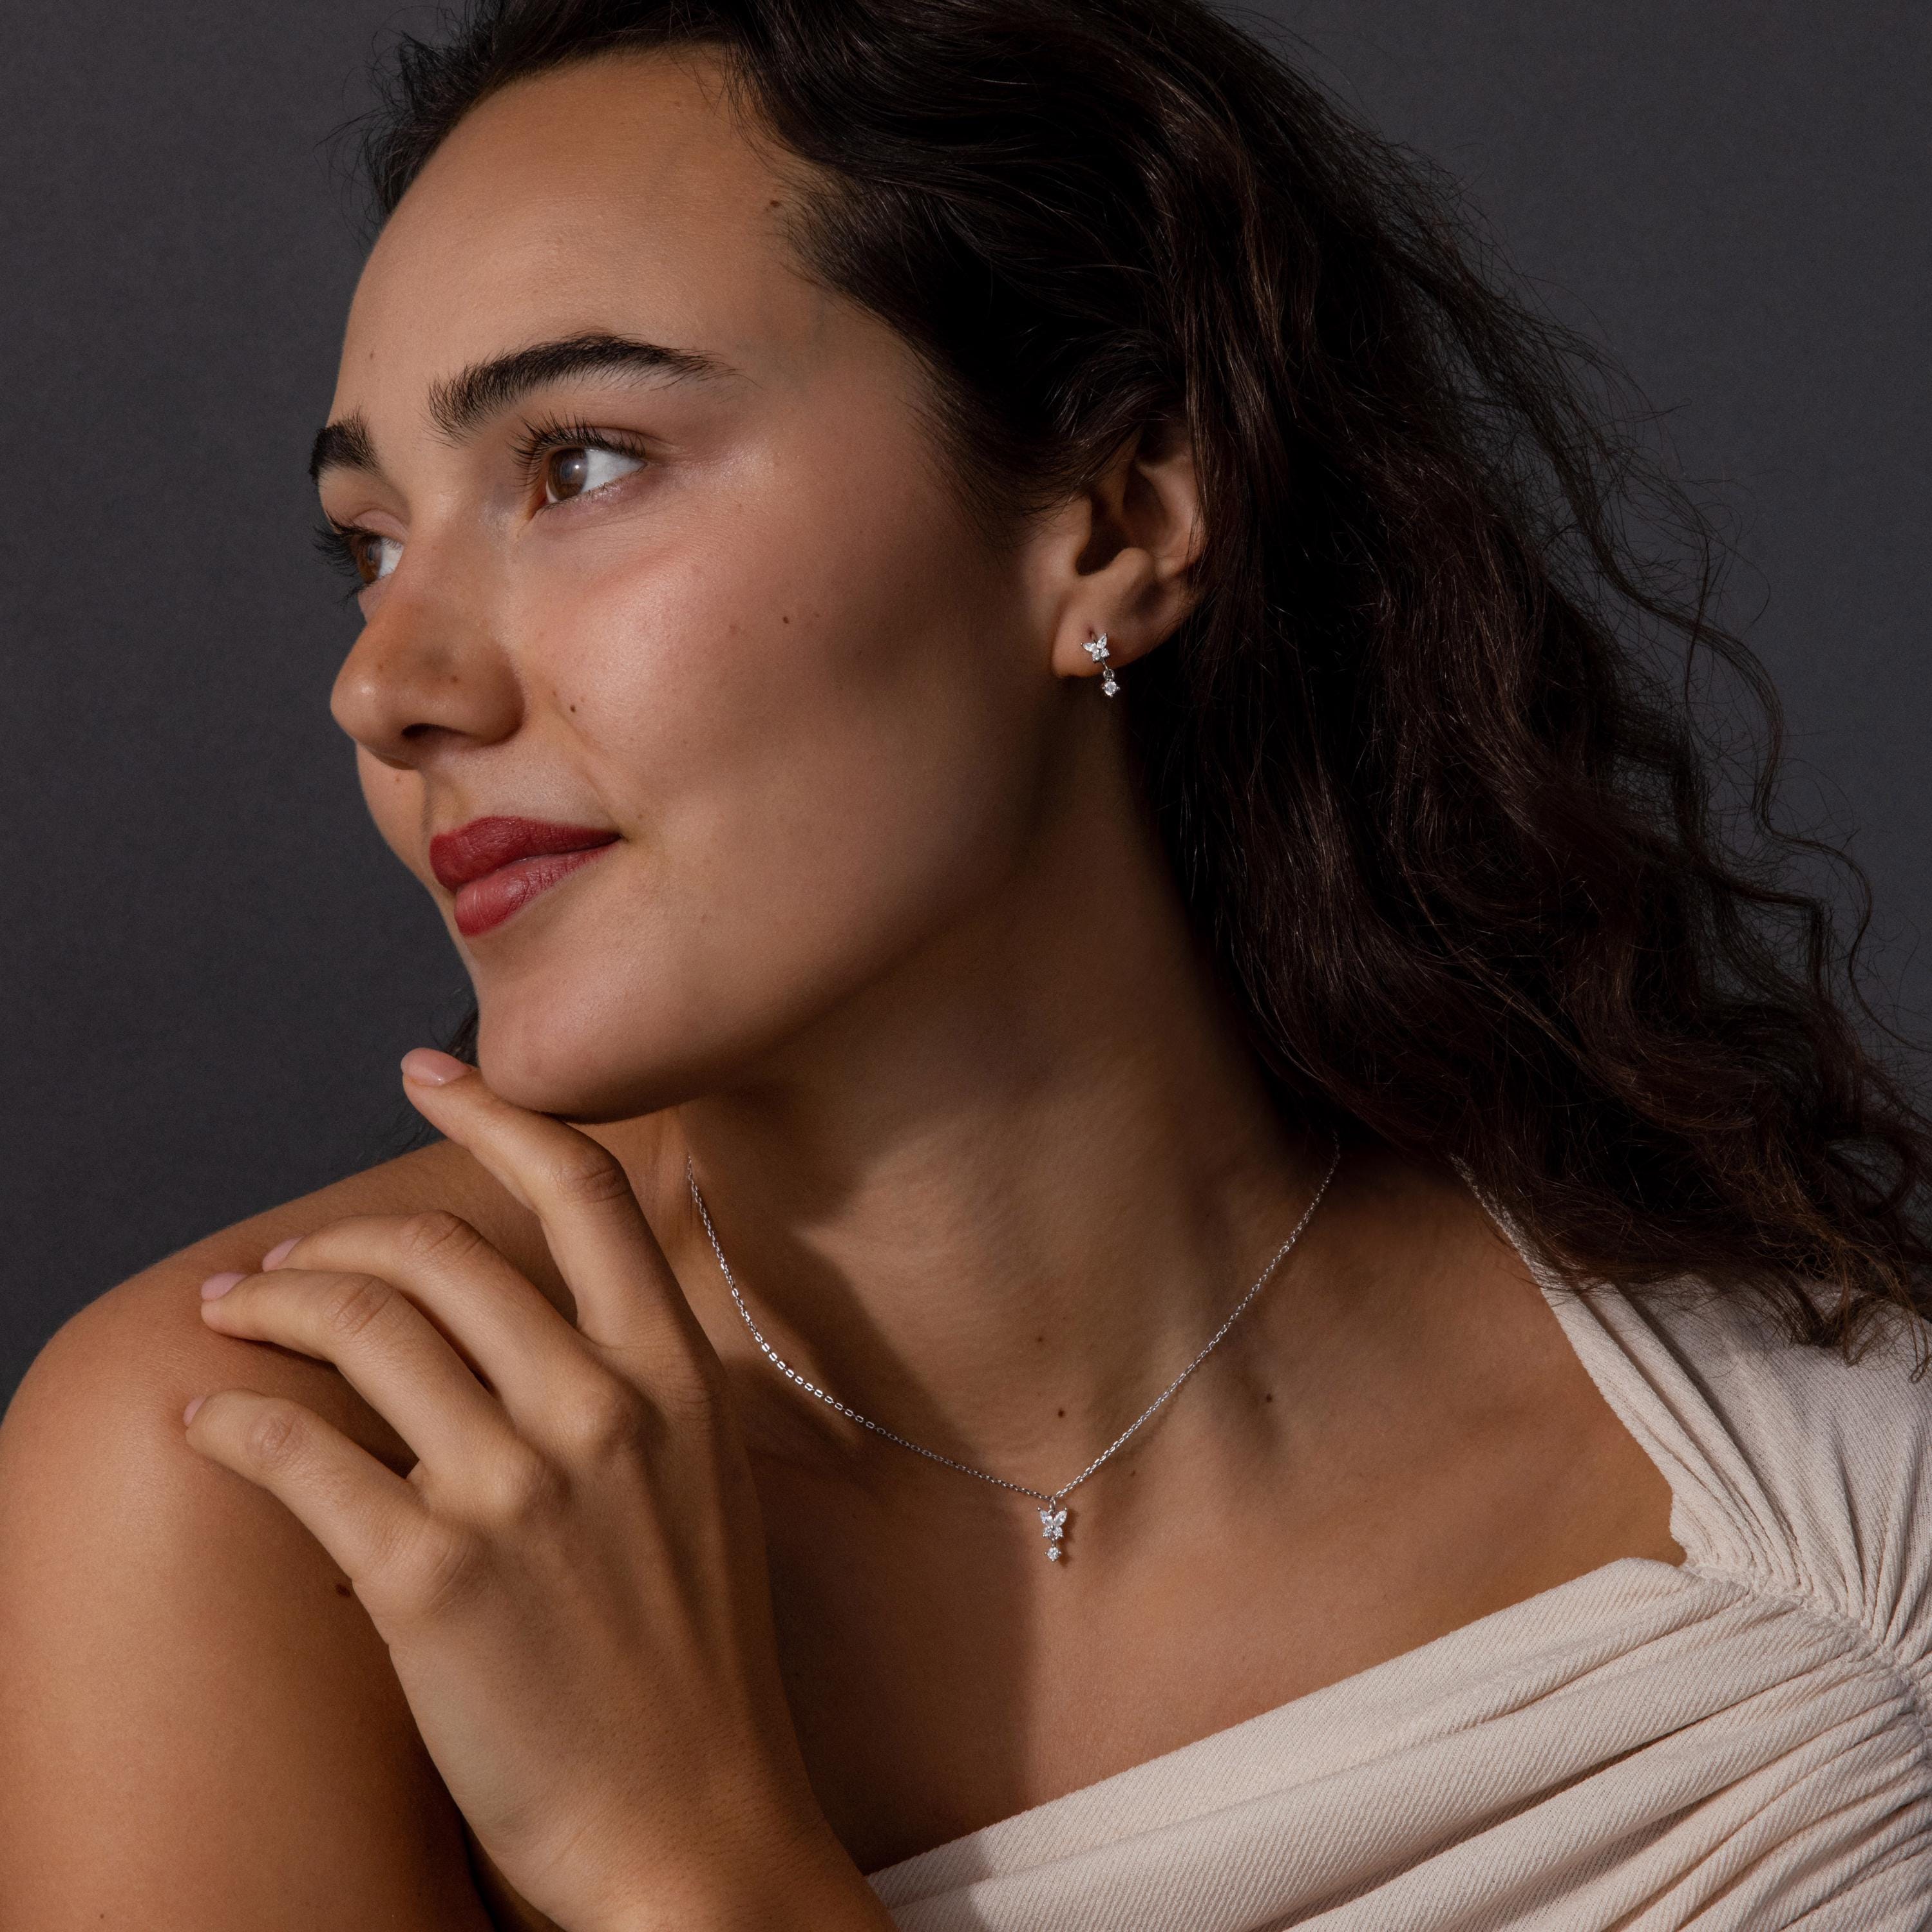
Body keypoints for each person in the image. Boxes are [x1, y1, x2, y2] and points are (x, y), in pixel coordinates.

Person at [3, 1, 1928, 1926]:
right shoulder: (264, 1476)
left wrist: (674, 1855)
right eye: (369, 543)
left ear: (1112, 519)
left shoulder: (1836, 1491)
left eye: (580, 464)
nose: (390, 686)